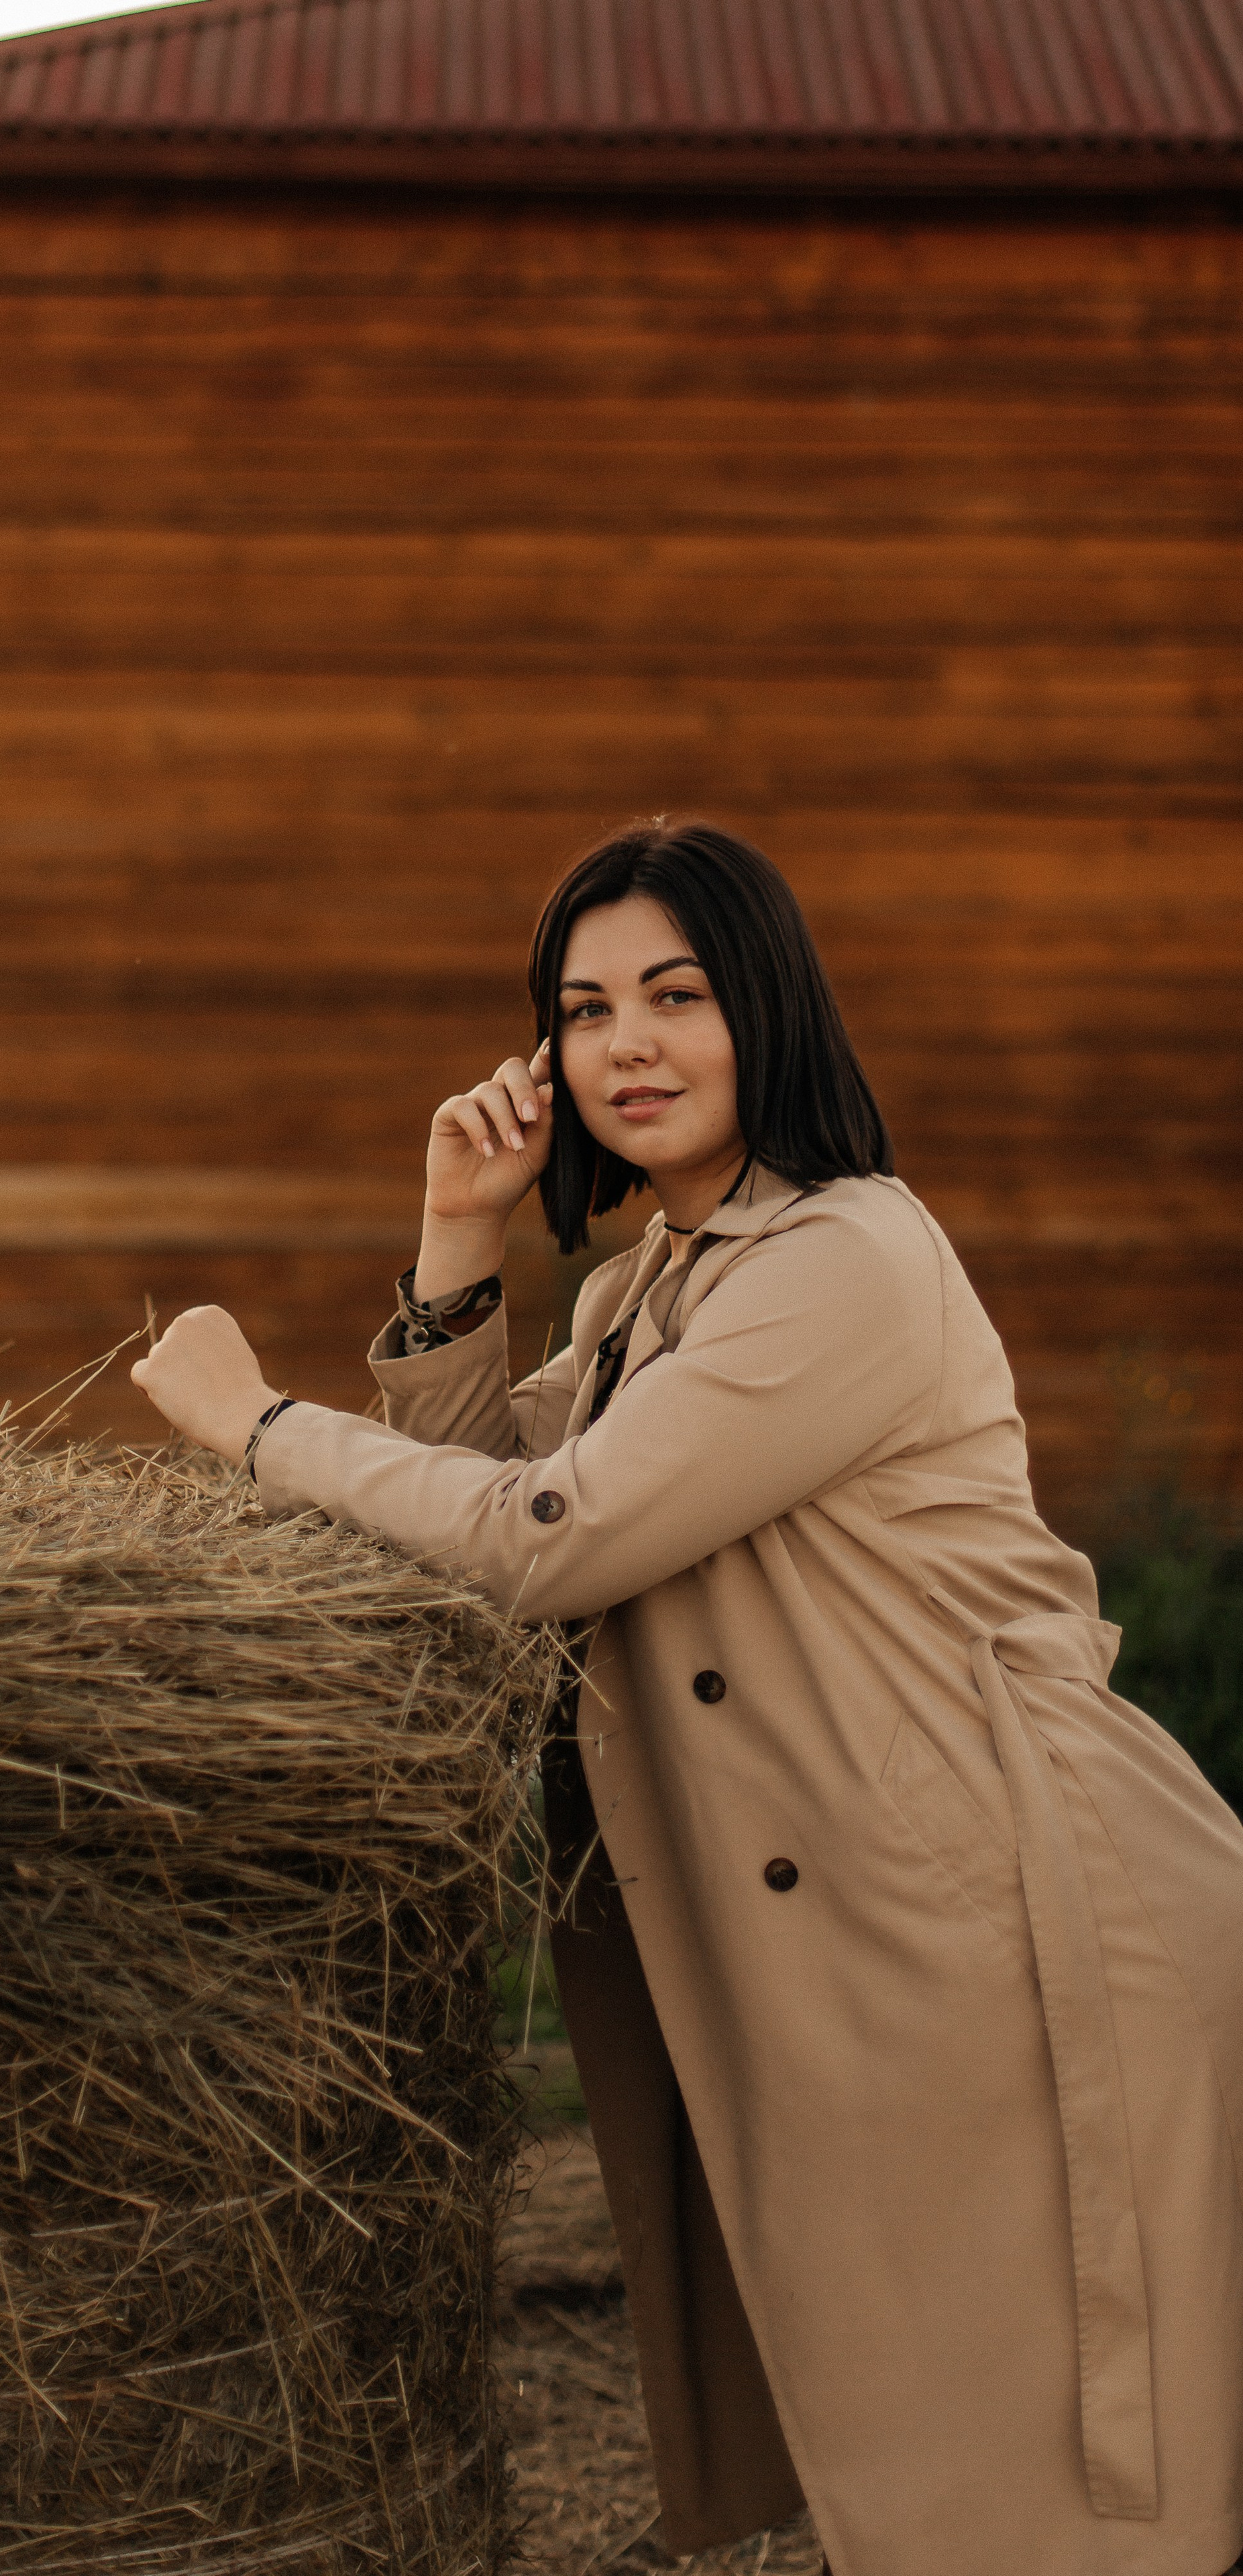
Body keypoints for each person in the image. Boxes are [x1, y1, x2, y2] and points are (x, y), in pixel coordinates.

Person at [132, 818, 1243, 2576]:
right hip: (885, 1925)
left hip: (1015, 1928)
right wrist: (451, 1239)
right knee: (938, 2470)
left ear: (771, 1011)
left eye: (675, 993)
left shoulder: (840, 1263)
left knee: (1047, 2492)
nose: (623, 1044)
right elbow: (485, 1501)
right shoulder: (665, 1282)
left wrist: (255, 1428)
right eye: (582, 1011)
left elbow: (539, 1542)